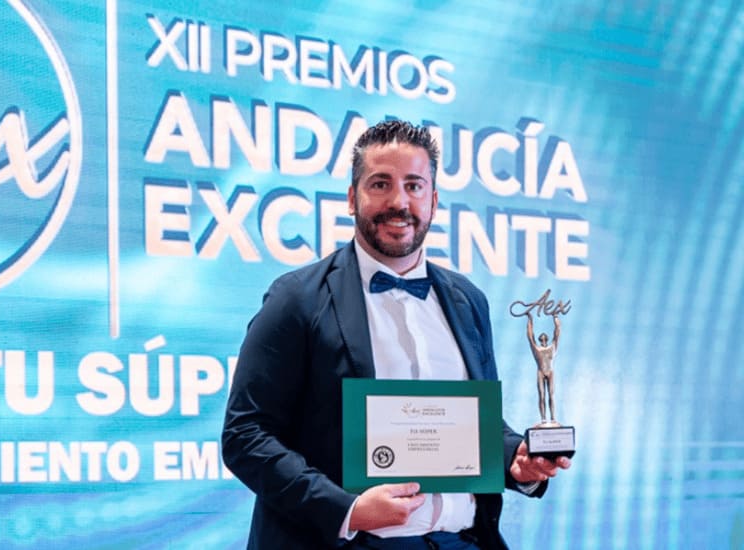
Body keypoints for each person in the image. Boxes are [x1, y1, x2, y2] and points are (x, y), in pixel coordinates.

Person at [222, 120, 571, 550]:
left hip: (462, 541)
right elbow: (245, 435)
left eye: (413, 186)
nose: (398, 202)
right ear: (352, 197)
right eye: (380, 184)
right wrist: (346, 510)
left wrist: (515, 458)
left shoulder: (468, 301)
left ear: (433, 200)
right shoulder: (297, 298)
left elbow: (474, 424)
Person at [526, 312, 560, 425]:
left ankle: (553, 417)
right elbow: (530, 336)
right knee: (541, 395)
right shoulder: (537, 349)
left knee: (551, 395)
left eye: (545, 339)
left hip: (550, 372)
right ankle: (543, 418)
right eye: (542, 339)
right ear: (540, 340)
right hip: (541, 372)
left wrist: (555, 317)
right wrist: (530, 319)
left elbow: (557, 332)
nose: (543, 340)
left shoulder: (552, 347)